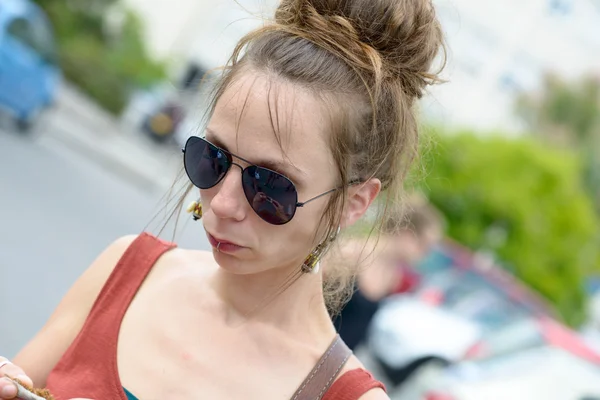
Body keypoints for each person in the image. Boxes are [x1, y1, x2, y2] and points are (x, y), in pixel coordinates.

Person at [0, 0, 445, 398]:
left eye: (270, 186)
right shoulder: (124, 269)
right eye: (211, 158)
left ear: (354, 202)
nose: (224, 204)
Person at [331, 197, 444, 350]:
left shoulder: (393, 277)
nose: (425, 254)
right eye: (424, 245)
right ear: (407, 234)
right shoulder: (351, 255)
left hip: (337, 357)